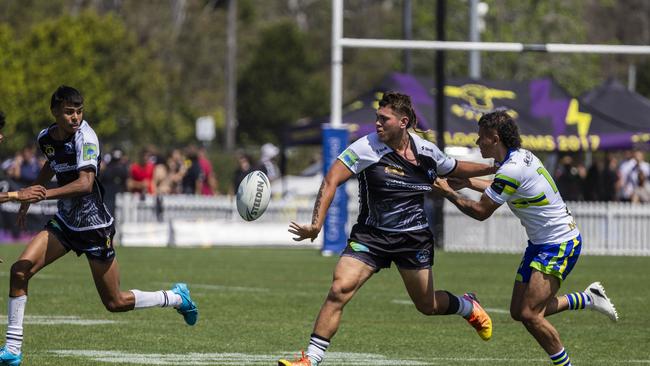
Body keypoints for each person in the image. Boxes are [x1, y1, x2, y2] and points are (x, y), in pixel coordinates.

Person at [278, 92, 496, 366]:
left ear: (403, 122)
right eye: (376, 118)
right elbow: (331, 179)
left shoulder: (426, 151)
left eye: (384, 119)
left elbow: (455, 168)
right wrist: (316, 224)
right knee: (339, 289)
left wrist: (494, 167)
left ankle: (467, 306)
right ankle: (310, 359)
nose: (377, 124)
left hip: (413, 239)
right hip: (371, 236)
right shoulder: (365, 148)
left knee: (426, 306)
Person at [0, 86, 198, 366]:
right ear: (54, 112)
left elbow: (85, 184)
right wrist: (31, 195)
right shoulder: (45, 137)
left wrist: (42, 194)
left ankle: (175, 297)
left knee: (114, 302)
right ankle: (12, 349)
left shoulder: (86, 138)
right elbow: (50, 164)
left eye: (79, 111)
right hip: (65, 225)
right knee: (19, 271)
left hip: (95, 229)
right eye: (69, 112)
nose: (75, 117)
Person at [431, 111, 618, 366]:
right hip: (541, 243)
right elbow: (502, 187)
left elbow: (481, 212)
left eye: (480, 137)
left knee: (531, 315)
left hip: (559, 243)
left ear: (495, 138)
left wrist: (448, 193)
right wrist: (467, 184)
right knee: (519, 312)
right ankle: (587, 298)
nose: (477, 142)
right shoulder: (518, 158)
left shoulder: (512, 168)